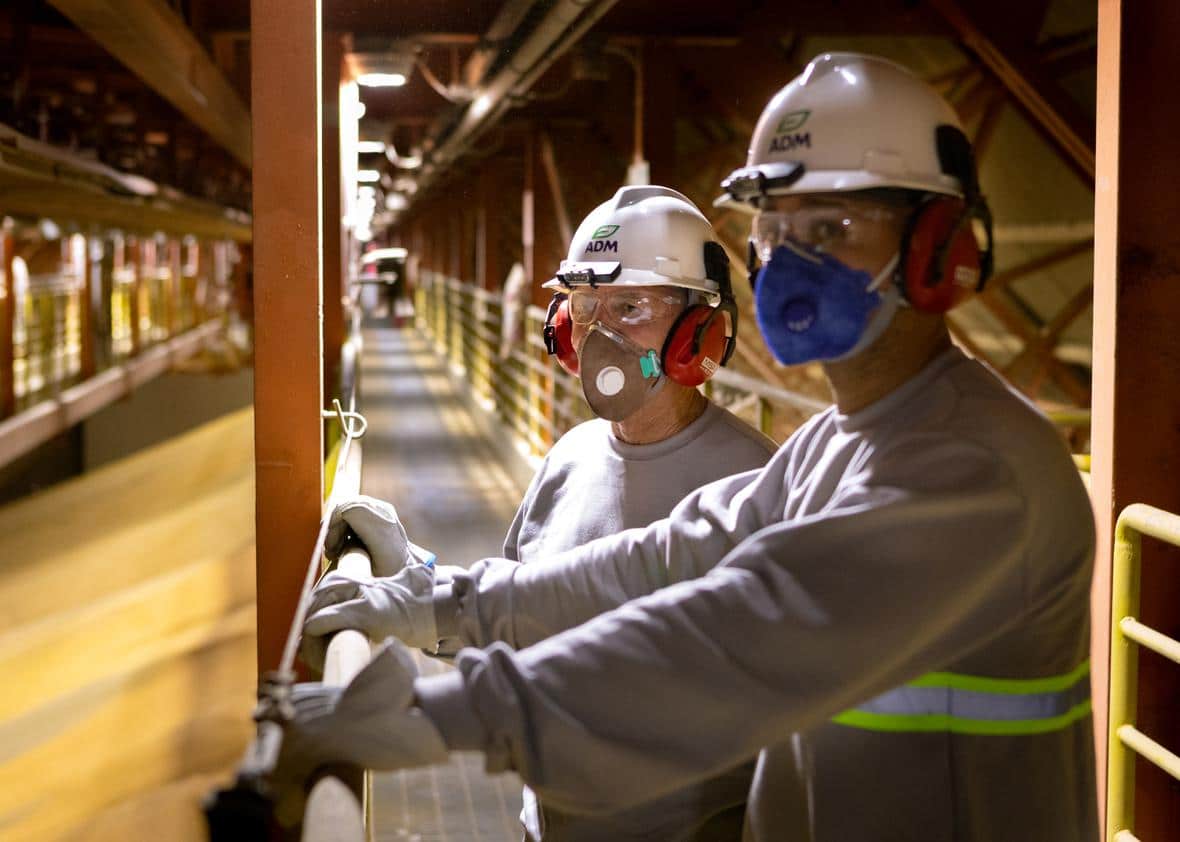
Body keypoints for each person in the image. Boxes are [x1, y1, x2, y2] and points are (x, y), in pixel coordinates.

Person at [281, 53, 1096, 842]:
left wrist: (446, 714)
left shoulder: (977, 471)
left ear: (937, 249)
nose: (790, 258)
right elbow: (657, 561)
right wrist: (436, 600)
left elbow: (732, 639)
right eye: (775, 229)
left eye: (834, 227)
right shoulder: (830, 447)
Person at [301, 186, 778, 841]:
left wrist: (432, 693)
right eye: (584, 306)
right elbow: (523, 607)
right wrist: (418, 574)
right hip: (547, 824)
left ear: (699, 329)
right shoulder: (570, 458)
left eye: (631, 306)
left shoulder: (752, 484)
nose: (598, 332)